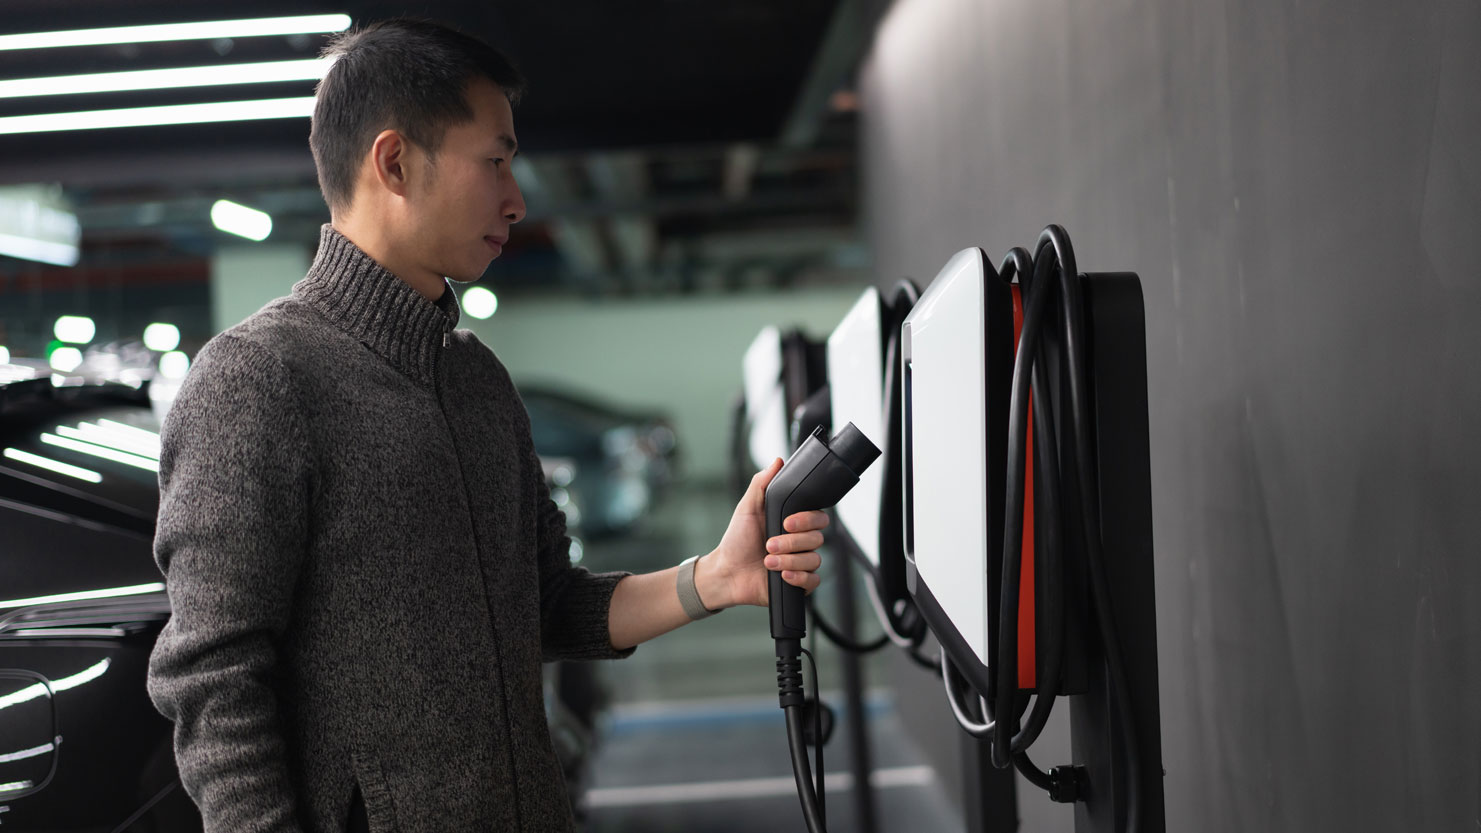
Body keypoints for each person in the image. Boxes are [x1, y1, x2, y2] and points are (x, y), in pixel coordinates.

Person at [145, 17, 829, 833]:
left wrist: (712, 577)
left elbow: (548, 603)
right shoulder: (257, 379)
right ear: (395, 161)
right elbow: (211, 675)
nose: (516, 197)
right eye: (495, 161)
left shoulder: (473, 377)